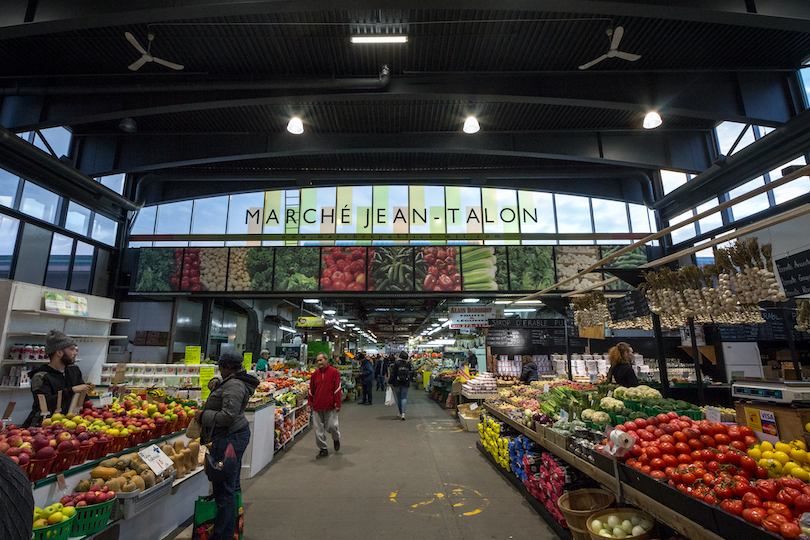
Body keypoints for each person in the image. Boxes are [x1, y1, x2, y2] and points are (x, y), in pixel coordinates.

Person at [199, 351, 259, 540]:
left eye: (220, 367)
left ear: (227, 367)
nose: (219, 370)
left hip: (229, 438)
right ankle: (231, 529)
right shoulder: (233, 382)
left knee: (225, 490)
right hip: (231, 437)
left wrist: (202, 416)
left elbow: (227, 416)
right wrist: (217, 384)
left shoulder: (234, 386)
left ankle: (223, 535)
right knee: (230, 486)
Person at [22, 330, 90, 428]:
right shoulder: (41, 377)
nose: (75, 353)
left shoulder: (73, 370)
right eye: (71, 349)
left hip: (70, 423)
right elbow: (45, 404)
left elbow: (84, 398)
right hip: (44, 426)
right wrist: (72, 391)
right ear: (59, 352)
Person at [308, 352, 342, 458]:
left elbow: (337, 388)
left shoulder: (334, 372)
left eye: (321, 360)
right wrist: (310, 403)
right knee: (318, 430)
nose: (319, 363)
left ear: (326, 360)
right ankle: (323, 449)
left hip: (330, 405)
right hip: (317, 405)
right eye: (317, 361)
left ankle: (336, 439)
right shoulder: (314, 375)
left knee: (332, 426)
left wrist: (338, 403)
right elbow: (311, 390)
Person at [388, 351, 412, 421]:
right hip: (406, 382)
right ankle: (404, 413)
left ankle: (400, 412)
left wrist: (389, 382)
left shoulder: (396, 363)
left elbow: (393, 374)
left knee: (399, 398)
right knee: (404, 398)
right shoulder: (408, 363)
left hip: (397, 382)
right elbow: (410, 372)